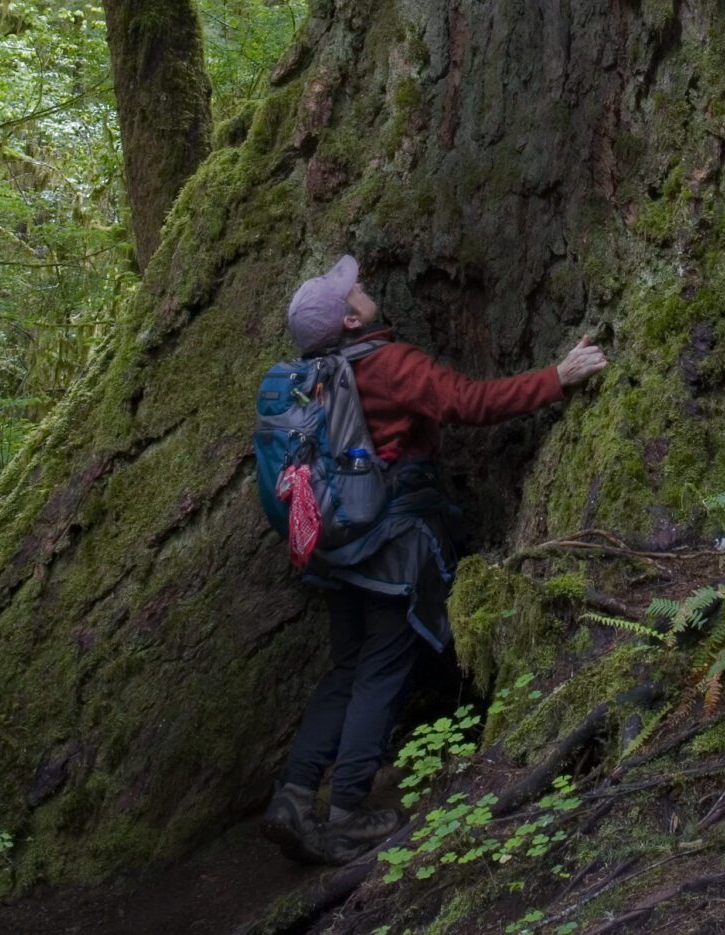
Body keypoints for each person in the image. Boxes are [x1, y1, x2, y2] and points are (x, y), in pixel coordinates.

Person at [259, 254, 607, 865]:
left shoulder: (312, 377)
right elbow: (465, 402)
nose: (363, 290)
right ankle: (345, 813)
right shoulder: (388, 364)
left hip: (337, 547)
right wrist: (558, 376)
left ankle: (292, 797)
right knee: (383, 668)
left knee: (346, 667)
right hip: (390, 543)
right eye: (355, 292)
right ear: (347, 320)